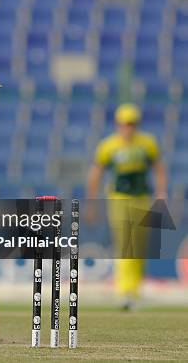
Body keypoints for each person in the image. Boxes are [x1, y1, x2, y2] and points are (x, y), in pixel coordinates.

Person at [86, 103, 167, 310]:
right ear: (118, 124)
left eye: (131, 124)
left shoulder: (147, 143)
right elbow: (97, 172)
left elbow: (158, 168)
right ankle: (124, 290)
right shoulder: (109, 146)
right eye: (124, 124)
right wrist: (92, 201)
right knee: (125, 243)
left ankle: (135, 289)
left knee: (139, 244)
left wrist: (161, 192)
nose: (128, 128)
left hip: (142, 198)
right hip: (119, 199)